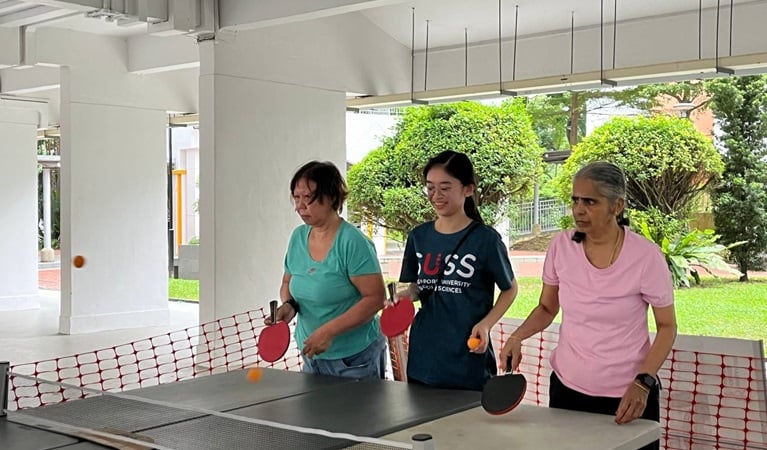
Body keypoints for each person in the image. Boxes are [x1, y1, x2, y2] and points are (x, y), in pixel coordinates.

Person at [500, 161, 677, 450]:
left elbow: (667, 327)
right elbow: (547, 308)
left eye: (590, 202)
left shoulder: (646, 257)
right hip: (567, 390)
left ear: (617, 206)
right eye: (575, 200)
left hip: (628, 396)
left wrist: (643, 382)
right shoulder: (560, 247)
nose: (578, 210)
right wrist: (518, 336)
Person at [397, 150, 518, 391]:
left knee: (467, 429)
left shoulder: (486, 240)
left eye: (445, 188)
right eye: (430, 188)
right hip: (423, 359)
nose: (436, 196)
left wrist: (486, 324)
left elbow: (510, 289)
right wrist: (401, 298)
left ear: (468, 189)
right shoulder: (418, 237)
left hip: (468, 359)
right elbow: (415, 287)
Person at [268, 160, 387, 380]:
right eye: (296, 197)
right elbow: (288, 282)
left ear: (332, 197)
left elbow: (375, 298)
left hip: (355, 357)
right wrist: (289, 306)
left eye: (308, 198)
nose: (300, 206)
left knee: (356, 415)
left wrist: (328, 331)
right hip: (312, 353)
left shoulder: (353, 242)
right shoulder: (297, 237)